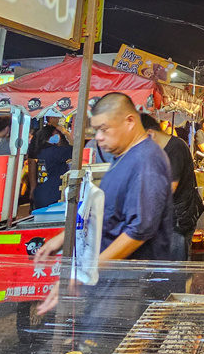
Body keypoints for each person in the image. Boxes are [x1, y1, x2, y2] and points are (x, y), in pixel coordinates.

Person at [33, 93, 173, 340]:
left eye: (104, 129)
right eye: (96, 130)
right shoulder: (124, 157)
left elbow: (138, 231)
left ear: (130, 121)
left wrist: (83, 273)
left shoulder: (146, 160)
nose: (98, 137)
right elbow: (107, 213)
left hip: (131, 288)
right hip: (113, 283)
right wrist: (64, 237)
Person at [141, 113, 204, 261]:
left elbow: (169, 188)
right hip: (166, 219)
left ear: (150, 134)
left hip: (178, 221)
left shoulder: (175, 148)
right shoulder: (157, 150)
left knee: (173, 271)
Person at [28, 124, 72, 211]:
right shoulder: (55, 152)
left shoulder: (41, 152)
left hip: (40, 195)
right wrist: (65, 132)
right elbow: (76, 149)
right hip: (53, 196)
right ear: (50, 137)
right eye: (57, 134)